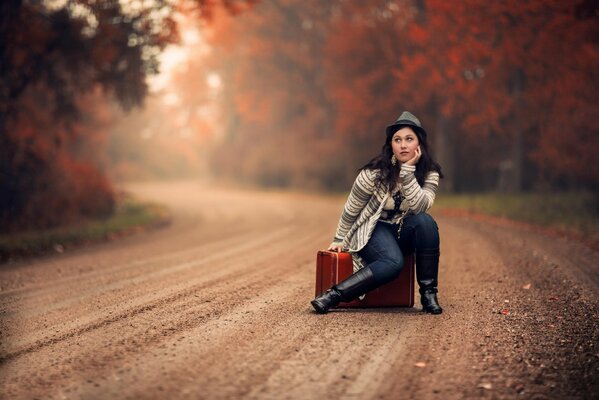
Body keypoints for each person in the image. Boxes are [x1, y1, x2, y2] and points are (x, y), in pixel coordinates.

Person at [311, 111, 444, 314]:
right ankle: (333, 296)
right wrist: (339, 238)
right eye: (397, 140)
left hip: (403, 231)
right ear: (391, 145)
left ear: (419, 144)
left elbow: (420, 207)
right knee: (393, 263)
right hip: (374, 230)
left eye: (409, 139)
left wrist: (408, 173)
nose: (403, 145)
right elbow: (352, 208)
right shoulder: (374, 173)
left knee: (425, 222)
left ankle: (429, 295)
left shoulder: (429, 173)